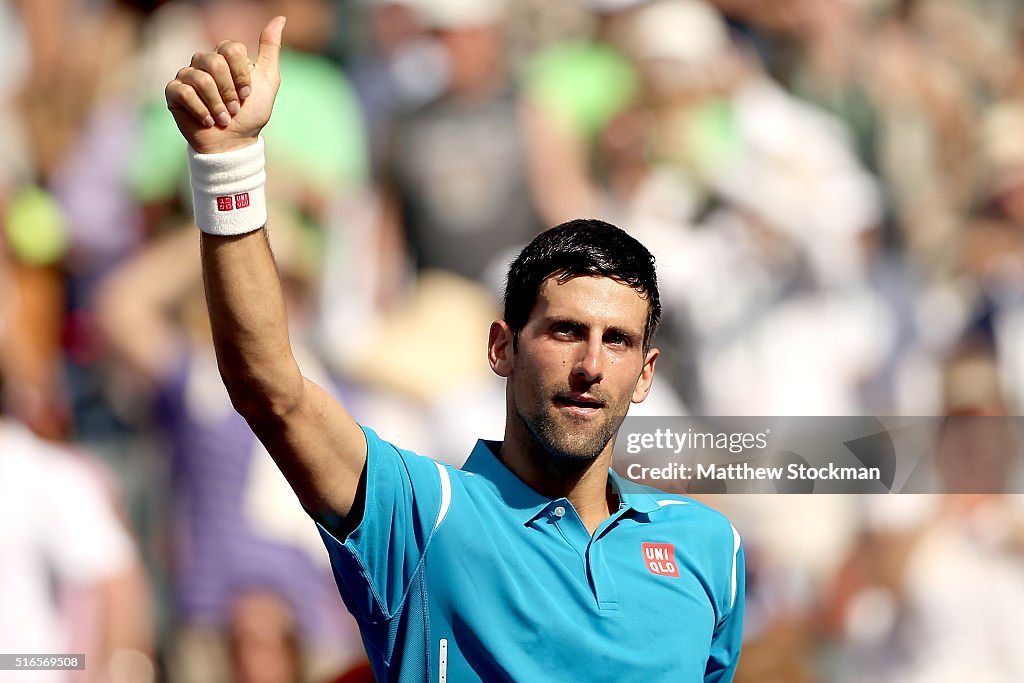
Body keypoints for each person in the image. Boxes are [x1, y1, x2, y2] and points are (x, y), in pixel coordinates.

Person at [164, 16, 744, 681]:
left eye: (616, 342)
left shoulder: (710, 550)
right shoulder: (420, 515)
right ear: (502, 347)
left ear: (645, 374)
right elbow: (270, 387)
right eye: (564, 331)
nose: (590, 365)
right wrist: (228, 162)